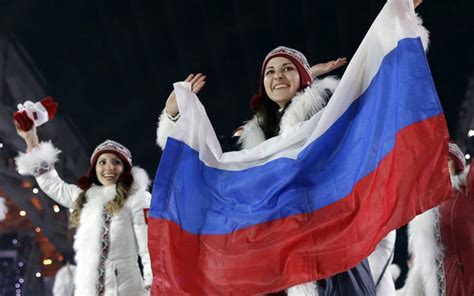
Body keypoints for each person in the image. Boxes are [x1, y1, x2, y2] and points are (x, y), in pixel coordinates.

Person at [155, 1, 428, 294]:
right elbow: (207, 166)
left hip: (331, 247)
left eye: (287, 69)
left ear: (304, 78)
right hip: (275, 260)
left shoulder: (329, 114)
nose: (277, 76)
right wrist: (174, 115)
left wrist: (394, 23)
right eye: (270, 72)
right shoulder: (251, 139)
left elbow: (373, 95)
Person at [14, 123, 152, 296]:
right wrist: (30, 138)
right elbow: (52, 184)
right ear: (95, 169)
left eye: (116, 162)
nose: (108, 167)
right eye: (102, 162)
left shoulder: (138, 198)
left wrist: (153, 287)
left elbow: (149, 247)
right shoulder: (87, 198)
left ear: (125, 168)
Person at [398, 142, 474, 296]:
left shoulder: (466, 191)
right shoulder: (423, 208)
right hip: (440, 286)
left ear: (456, 165)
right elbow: (421, 262)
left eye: (446, 160)